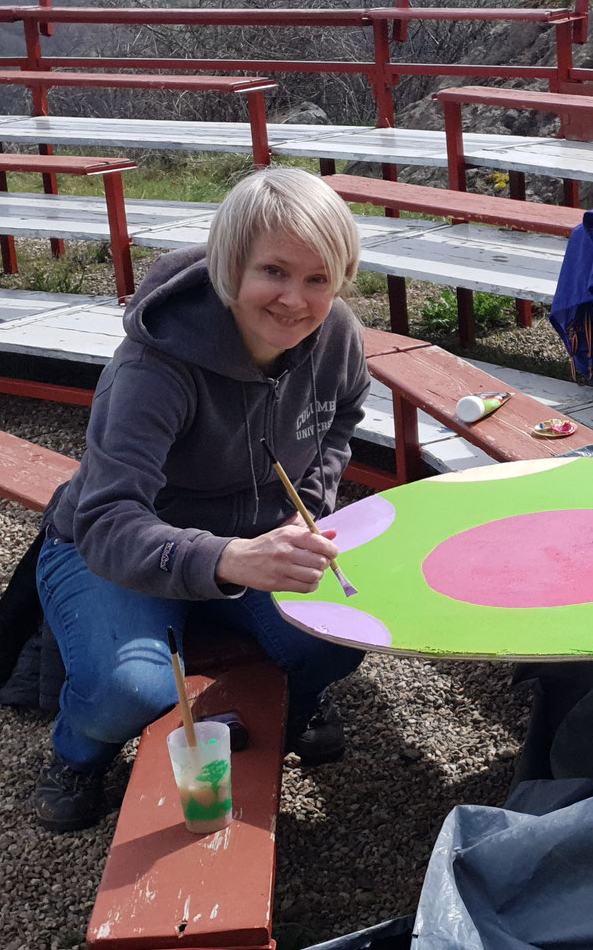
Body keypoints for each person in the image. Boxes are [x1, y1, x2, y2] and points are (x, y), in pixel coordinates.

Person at [30, 166, 373, 832]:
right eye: (273, 271)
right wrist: (228, 559)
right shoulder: (154, 366)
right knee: (130, 690)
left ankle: (292, 708)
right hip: (114, 551)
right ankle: (79, 751)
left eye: (318, 279)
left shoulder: (337, 338)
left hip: (255, 540)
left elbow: (341, 417)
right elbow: (105, 520)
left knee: (340, 636)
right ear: (228, 265)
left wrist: (308, 501)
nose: (295, 301)